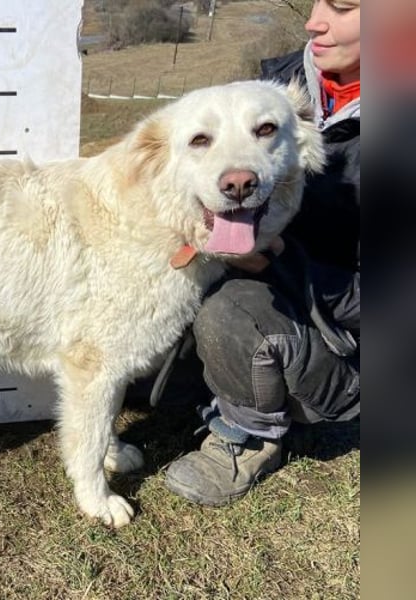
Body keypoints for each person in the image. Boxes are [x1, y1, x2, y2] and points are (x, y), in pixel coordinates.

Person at [162, 0, 360, 505]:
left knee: (234, 311)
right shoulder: (280, 83)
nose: (314, 21)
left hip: (349, 347)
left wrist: (279, 261)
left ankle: (246, 435)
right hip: (281, 295)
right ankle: (213, 376)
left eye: (343, 6)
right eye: (317, 2)